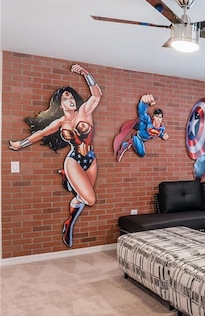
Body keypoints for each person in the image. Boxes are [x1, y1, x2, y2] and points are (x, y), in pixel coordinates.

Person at [9, 64, 102, 248]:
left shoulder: (85, 111)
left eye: (71, 96)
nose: (70, 100)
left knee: (80, 198)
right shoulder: (61, 122)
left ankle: (69, 223)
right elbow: (41, 134)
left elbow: (97, 95)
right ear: (61, 103)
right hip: (74, 160)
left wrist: (85, 73)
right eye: (65, 98)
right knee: (90, 199)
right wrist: (22, 144)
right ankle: (67, 175)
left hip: (90, 159)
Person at [115, 94, 169, 162]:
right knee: (141, 152)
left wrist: (163, 136)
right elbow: (142, 113)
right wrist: (143, 102)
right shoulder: (148, 121)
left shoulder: (161, 128)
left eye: (160, 117)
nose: (158, 119)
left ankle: (128, 144)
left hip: (143, 140)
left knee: (141, 153)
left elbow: (160, 133)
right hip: (139, 137)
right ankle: (129, 142)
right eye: (157, 116)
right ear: (153, 117)